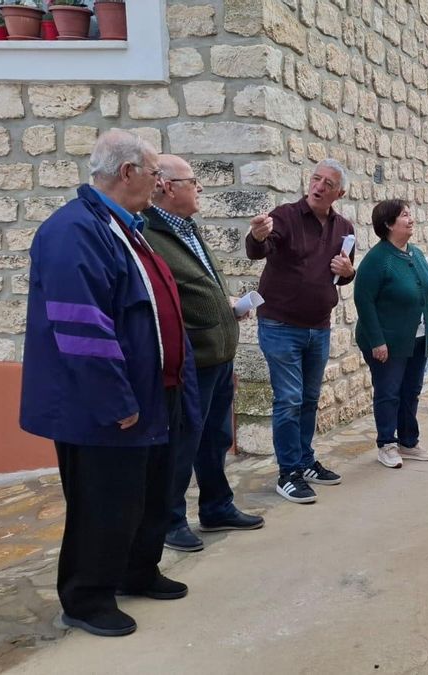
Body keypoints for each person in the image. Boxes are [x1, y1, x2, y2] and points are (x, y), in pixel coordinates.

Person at [20, 131, 194, 638]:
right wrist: (114, 398)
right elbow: (81, 326)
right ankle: (86, 597)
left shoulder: (124, 227)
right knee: (104, 501)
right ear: (128, 173)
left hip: (152, 392)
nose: (160, 181)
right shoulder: (74, 231)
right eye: (154, 172)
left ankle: (136, 571)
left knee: (147, 494)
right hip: (104, 404)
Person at [143, 154, 265, 553]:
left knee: (215, 437)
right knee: (183, 442)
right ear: (165, 186)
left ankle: (216, 506)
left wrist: (228, 305)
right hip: (192, 360)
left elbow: (201, 287)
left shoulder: (188, 228)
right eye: (193, 181)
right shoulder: (149, 233)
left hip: (219, 354)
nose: (200, 188)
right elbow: (165, 297)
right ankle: (171, 521)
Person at [246, 158, 356, 504]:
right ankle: (288, 472)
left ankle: (305, 461)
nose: (319, 186)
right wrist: (256, 236)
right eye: (316, 178)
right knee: (290, 399)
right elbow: (260, 249)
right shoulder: (286, 215)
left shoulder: (344, 227)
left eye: (328, 182)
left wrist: (349, 270)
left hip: (318, 327)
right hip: (280, 325)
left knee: (309, 399)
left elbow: (345, 273)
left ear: (340, 192)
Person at [353, 199, 428, 468]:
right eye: (405, 215)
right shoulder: (377, 260)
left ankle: (408, 442)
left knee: (410, 391)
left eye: (410, 214)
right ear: (389, 224)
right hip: (386, 342)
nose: (411, 219)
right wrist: (377, 341)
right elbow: (363, 301)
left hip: (416, 338)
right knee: (388, 392)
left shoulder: (416, 254)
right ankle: (387, 444)